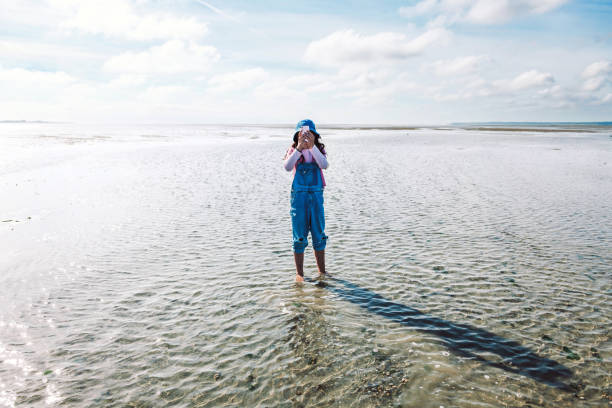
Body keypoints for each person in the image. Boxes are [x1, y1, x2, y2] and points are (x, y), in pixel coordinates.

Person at [282, 119, 329, 282]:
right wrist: (300, 148)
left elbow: (324, 165)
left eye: (309, 134)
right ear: (297, 135)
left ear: (315, 135)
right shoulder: (294, 150)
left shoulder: (319, 149)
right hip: (299, 198)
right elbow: (287, 167)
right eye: (302, 134)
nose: (306, 136)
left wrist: (312, 147)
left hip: (315, 197)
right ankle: (300, 274)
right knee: (299, 236)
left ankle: (322, 272)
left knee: (319, 234)